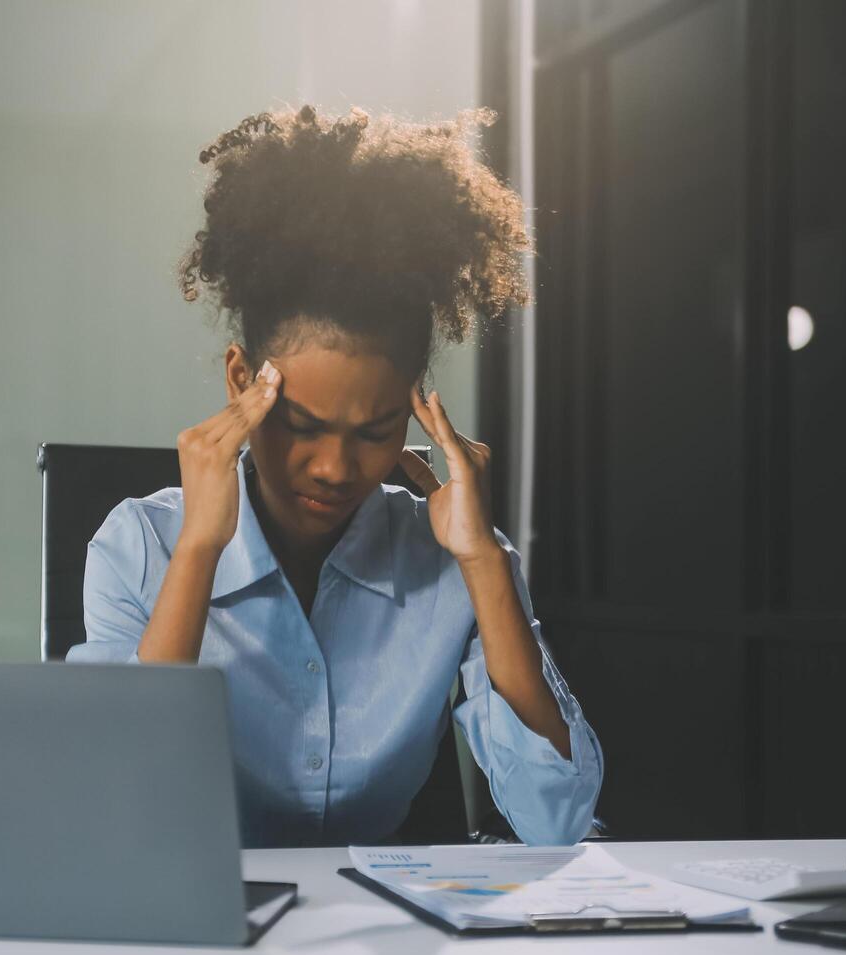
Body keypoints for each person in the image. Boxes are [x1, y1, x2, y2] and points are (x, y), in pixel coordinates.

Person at [67, 105, 602, 847]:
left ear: (415, 408)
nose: (334, 468)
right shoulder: (139, 547)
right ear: (242, 380)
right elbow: (114, 803)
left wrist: (484, 563)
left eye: (376, 432)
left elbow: (558, 818)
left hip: (385, 940)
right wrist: (197, 551)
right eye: (304, 426)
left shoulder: (449, 556)